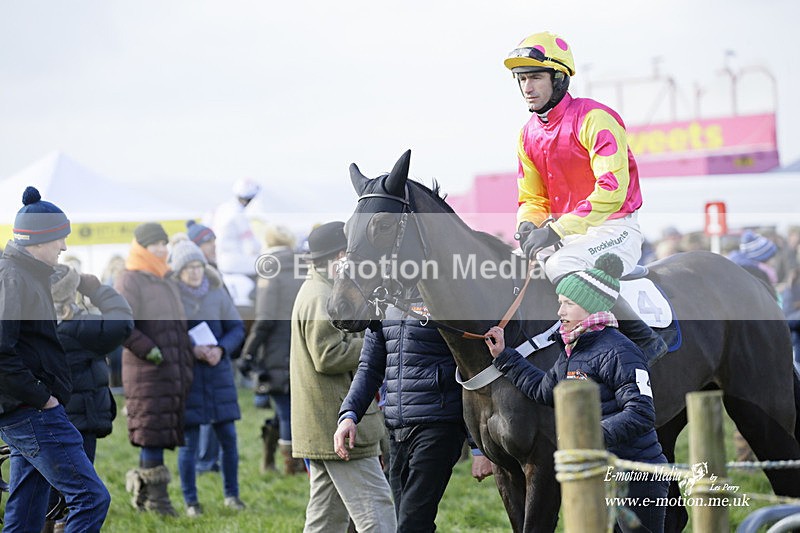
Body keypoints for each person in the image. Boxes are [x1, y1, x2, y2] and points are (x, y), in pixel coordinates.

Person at [504, 31, 667, 363]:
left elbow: (611, 189)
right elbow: (533, 198)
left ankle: (643, 337)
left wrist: (554, 230)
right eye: (521, 79)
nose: (527, 88)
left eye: (535, 77)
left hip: (615, 228)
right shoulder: (527, 135)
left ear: (559, 78)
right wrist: (527, 226)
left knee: (563, 263)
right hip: (570, 233)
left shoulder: (595, 118)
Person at [484, 253, 668, 533]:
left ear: (591, 308)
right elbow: (544, 390)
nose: (560, 312)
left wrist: (586, 436)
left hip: (636, 476)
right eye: (560, 303)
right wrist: (505, 357)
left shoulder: (621, 350)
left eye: (568, 304)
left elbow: (641, 414)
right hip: (596, 473)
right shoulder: (572, 351)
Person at [334, 287, 494, 531]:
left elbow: (471, 368)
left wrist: (478, 447)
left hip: (439, 425)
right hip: (396, 429)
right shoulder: (383, 301)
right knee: (407, 521)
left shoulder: (445, 297)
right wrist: (349, 415)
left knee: (411, 524)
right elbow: (369, 368)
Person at [0, 186, 111, 532]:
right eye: (59, 238)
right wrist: (40, 397)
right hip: (32, 412)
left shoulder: (25, 274)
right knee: (91, 498)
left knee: (28, 507)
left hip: (27, 410)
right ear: (37, 240)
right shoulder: (14, 277)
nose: (64, 247)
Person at [290, 221, 396, 533]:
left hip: (324, 425)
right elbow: (328, 356)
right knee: (378, 515)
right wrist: (379, 344)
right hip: (339, 426)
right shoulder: (321, 295)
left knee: (326, 522)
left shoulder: (317, 289)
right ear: (339, 256)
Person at [45, 265, 134, 530]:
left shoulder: (42, 323)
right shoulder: (78, 327)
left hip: (49, 415)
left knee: (49, 489)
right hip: (80, 418)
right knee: (79, 494)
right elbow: (123, 321)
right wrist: (95, 288)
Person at [115, 222, 195, 516]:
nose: (161, 249)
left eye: (164, 243)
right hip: (147, 370)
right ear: (141, 247)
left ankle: (148, 496)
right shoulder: (130, 279)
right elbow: (123, 325)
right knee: (152, 431)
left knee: (160, 430)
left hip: (170, 369)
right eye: (154, 245)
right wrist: (148, 349)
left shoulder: (165, 277)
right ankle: (157, 501)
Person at [167, 240, 246, 516]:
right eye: (188, 268)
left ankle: (232, 495)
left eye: (197, 266)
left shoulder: (217, 292)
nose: (194, 272)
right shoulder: (172, 297)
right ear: (178, 272)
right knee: (188, 445)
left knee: (228, 438)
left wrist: (222, 349)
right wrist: (192, 349)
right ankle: (191, 502)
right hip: (189, 377)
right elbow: (168, 334)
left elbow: (236, 328)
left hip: (218, 374)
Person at [241, 224, 305, 474]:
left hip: (278, 350)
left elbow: (264, 318)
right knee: (287, 408)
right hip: (302, 346)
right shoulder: (304, 269)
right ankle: (273, 459)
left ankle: (292, 464)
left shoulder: (270, 272)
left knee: (286, 410)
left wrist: (248, 352)